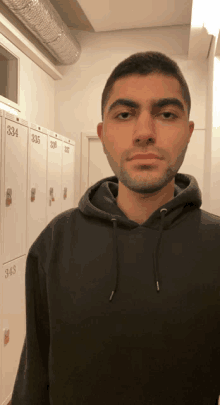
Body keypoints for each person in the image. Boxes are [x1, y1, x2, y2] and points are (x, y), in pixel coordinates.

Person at [11, 51, 220, 405]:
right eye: (125, 114)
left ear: (187, 133)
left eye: (166, 114)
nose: (144, 133)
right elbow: (34, 379)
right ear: (104, 134)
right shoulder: (55, 241)